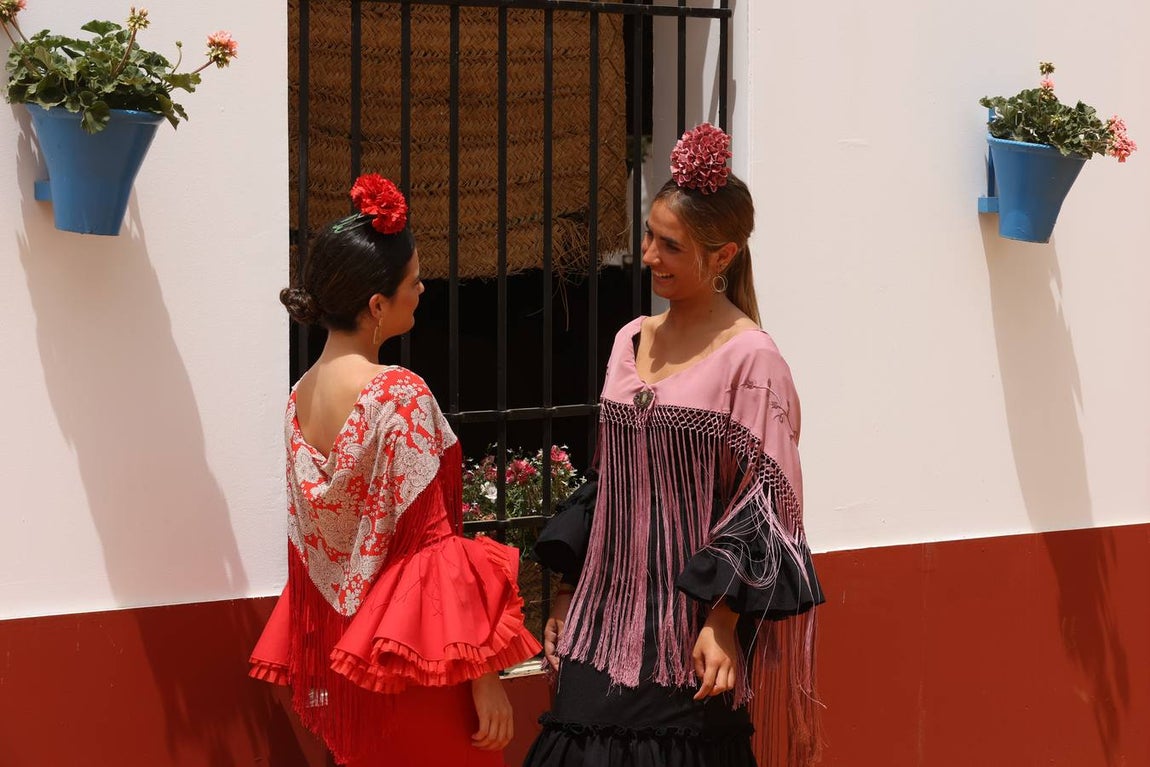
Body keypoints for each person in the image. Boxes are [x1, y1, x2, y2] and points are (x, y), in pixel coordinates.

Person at [522, 124, 824, 767]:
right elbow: (608, 486)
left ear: (724, 256)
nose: (649, 254)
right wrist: (569, 595)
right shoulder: (630, 339)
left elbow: (765, 504)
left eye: (671, 245)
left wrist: (723, 623)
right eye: (650, 235)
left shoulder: (753, 358)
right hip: (598, 631)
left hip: (688, 638)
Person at [249, 173, 541, 767]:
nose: (424, 288)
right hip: (416, 662)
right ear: (377, 304)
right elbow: (433, 548)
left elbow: (319, 545)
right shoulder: (398, 395)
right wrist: (483, 676)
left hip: (346, 660)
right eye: (414, 281)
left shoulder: (298, 399)